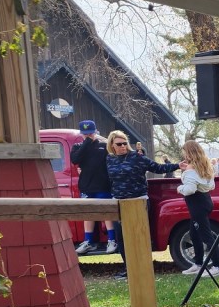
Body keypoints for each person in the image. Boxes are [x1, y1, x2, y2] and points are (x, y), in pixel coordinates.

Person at [106, 130, 182, 279]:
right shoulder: (109, 159)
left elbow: (158, 168)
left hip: (138, 201)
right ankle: (129, 269)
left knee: (139, 236)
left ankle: (143, 268)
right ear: (112, 145)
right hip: (118, 202)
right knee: (121, 237)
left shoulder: (136, 157)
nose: (123, 146)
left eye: (125, 143)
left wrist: (177, 165)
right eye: (119, 144)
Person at [70, 119, 118, 255]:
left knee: (106, 212)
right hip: (86, 186)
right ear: (81, 134)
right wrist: (86, 143)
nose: (88, 136)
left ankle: (112, 240)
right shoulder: (78, 146)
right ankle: (88, 241)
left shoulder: (103, 146)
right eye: (86, 134)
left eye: (90, 133)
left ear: (95, 132)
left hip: (103, 185)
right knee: (88, 213)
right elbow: (75, 159)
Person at [177, 140, 219, 277]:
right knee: (194, 234)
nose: (184, 155)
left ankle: (218, 267)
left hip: (196, 204)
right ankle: (198, 264)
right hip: (205, 201)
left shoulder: (191, 169)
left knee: (206, 236)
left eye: (185, 152)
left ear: (189, 152)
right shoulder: (205, 165)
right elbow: (212, 186)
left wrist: (180, 188)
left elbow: (190, 189)